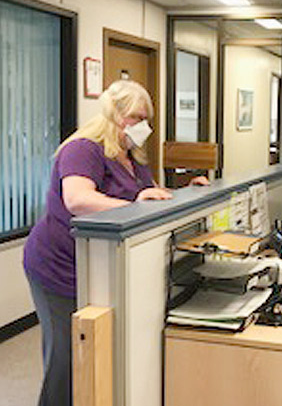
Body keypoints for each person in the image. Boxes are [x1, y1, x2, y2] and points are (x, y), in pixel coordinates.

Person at [22, 80, 208, 406]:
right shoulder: (83, 148)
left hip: (100, 268)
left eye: (145, 119)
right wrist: (137, 201)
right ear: (115, 114)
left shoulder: (132, 157)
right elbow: (78, 200)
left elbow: (148, 197)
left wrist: (185, 192)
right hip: (58, 265)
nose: (143, 126)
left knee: (99, 354)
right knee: (66, 359)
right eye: (136, 117)